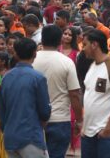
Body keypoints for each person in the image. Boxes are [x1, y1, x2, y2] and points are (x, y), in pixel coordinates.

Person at [32, 26, 83, 158]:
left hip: (34, 119)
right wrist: (79, 120)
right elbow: (74, 94)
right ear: (60, 40)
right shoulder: (66, 62)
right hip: (60, 120)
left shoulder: (31, 60)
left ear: (42, 39)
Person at [0, 37, 51, 158]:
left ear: (15, 54)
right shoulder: (38, 78)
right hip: (30, 137)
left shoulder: (6, 77)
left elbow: (1, 110)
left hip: (10, 137)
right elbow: (45, 112)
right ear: (34, 53)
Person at [80, 29, 110, 158]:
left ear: (95, 44)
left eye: (85, 44)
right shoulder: (92, 66)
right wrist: (84, 125)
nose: (83, 49)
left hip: (107, 135)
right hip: (89, 133)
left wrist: (108, 129)